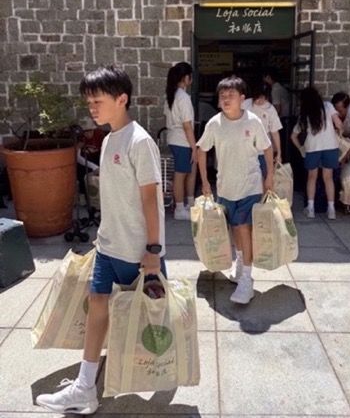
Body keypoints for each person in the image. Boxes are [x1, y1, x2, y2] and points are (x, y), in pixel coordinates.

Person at [36, 65, 167, 415]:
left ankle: (164, 373)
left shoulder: (140, 141)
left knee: (150, 317)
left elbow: (150, 200)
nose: (91, 108)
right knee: (97, 303)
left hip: (136, 251)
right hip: (109, 245)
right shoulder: (109, 139)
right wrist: (101, 238)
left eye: (97, 101)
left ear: (121, 99)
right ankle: (85, 387)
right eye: (89, 102)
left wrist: (153, 251)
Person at [197, 76, 273, 305]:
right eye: (222, 96)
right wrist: (205, 181)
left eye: (231, 95)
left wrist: (269, 176)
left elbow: (267, 148)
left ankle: (247, 280)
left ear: (242, 98)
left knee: (243, 228)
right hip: (225, 187)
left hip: (250, 185)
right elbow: (201, 149)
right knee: (234, 229)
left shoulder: (253, 121)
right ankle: (240, 262)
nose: (226, 99)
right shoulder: (214, 124)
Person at [290, 86, 343, 220]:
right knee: (328, 178)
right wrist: (338, 134)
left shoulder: (304, 113)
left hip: (312, 147)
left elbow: (293, 136)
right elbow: (339, 124)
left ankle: (311, 208)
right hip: (330, 146)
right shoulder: (328, 106)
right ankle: (331, 209)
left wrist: (301, 148)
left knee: (312, 177)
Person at [164, 62, 197, 220]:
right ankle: (179, 208)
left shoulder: (171, 95)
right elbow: (187, 125)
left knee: (186, 171)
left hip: (174, 138)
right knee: (181, 173)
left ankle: (187, 203)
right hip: (182, 140)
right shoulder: (183, 97)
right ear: (186, 78)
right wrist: (194, 146)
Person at [242, 82, 282, 178]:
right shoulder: (245, 104)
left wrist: (279, 152)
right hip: (246, 150)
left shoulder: (270, 109)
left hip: (264, 151)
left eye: (263, 98)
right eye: (257, 98)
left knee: (266, 177)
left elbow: (275, 132)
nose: (260, 101)